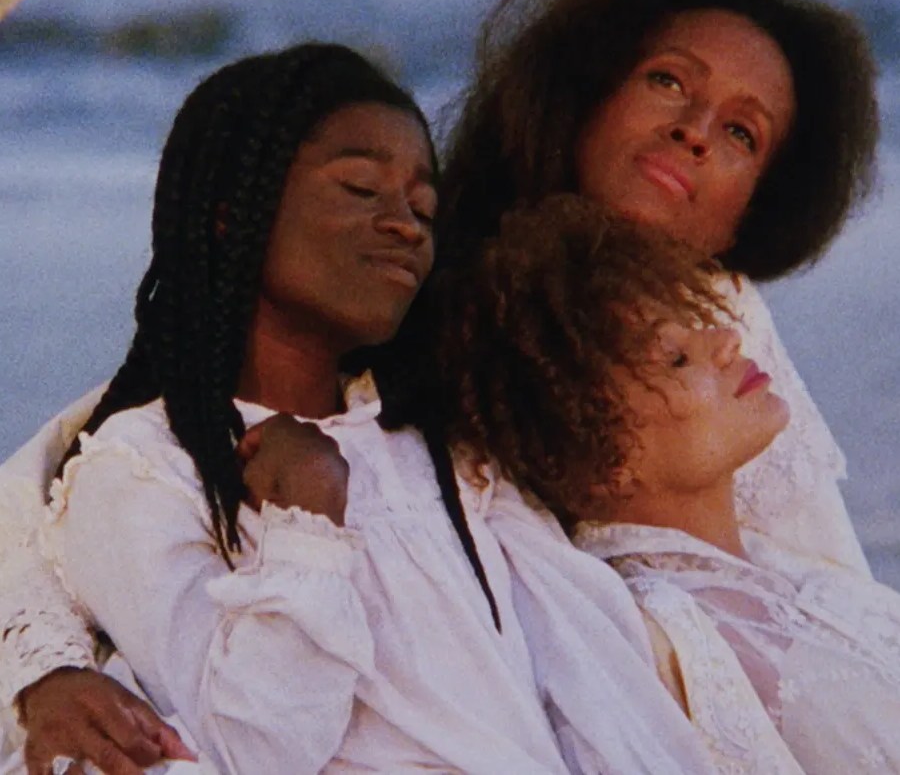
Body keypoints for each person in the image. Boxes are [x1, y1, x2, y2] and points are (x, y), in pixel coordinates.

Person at [0, 0, 879, 770]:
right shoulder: (415, 279)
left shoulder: (727, 315)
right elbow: (71, 473)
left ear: (753, 206)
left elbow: (816, 591)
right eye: (667, 81)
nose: (696, 131)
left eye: (741, 133)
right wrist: (42, 673)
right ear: (587, 86)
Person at [20, 42, 716, 775]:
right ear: (229, 214)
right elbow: (254, 748)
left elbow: (571, 687)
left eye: (423, 207)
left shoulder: (437, 452)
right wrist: (305, 529)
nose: (406, 225)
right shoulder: (145, 467)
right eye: (360, 189)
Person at [435, 192, 900, 773]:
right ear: (603, 457)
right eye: (676, 358)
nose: (727, 340)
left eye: (698, 327)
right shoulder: (657, 636)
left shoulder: (785, 568)